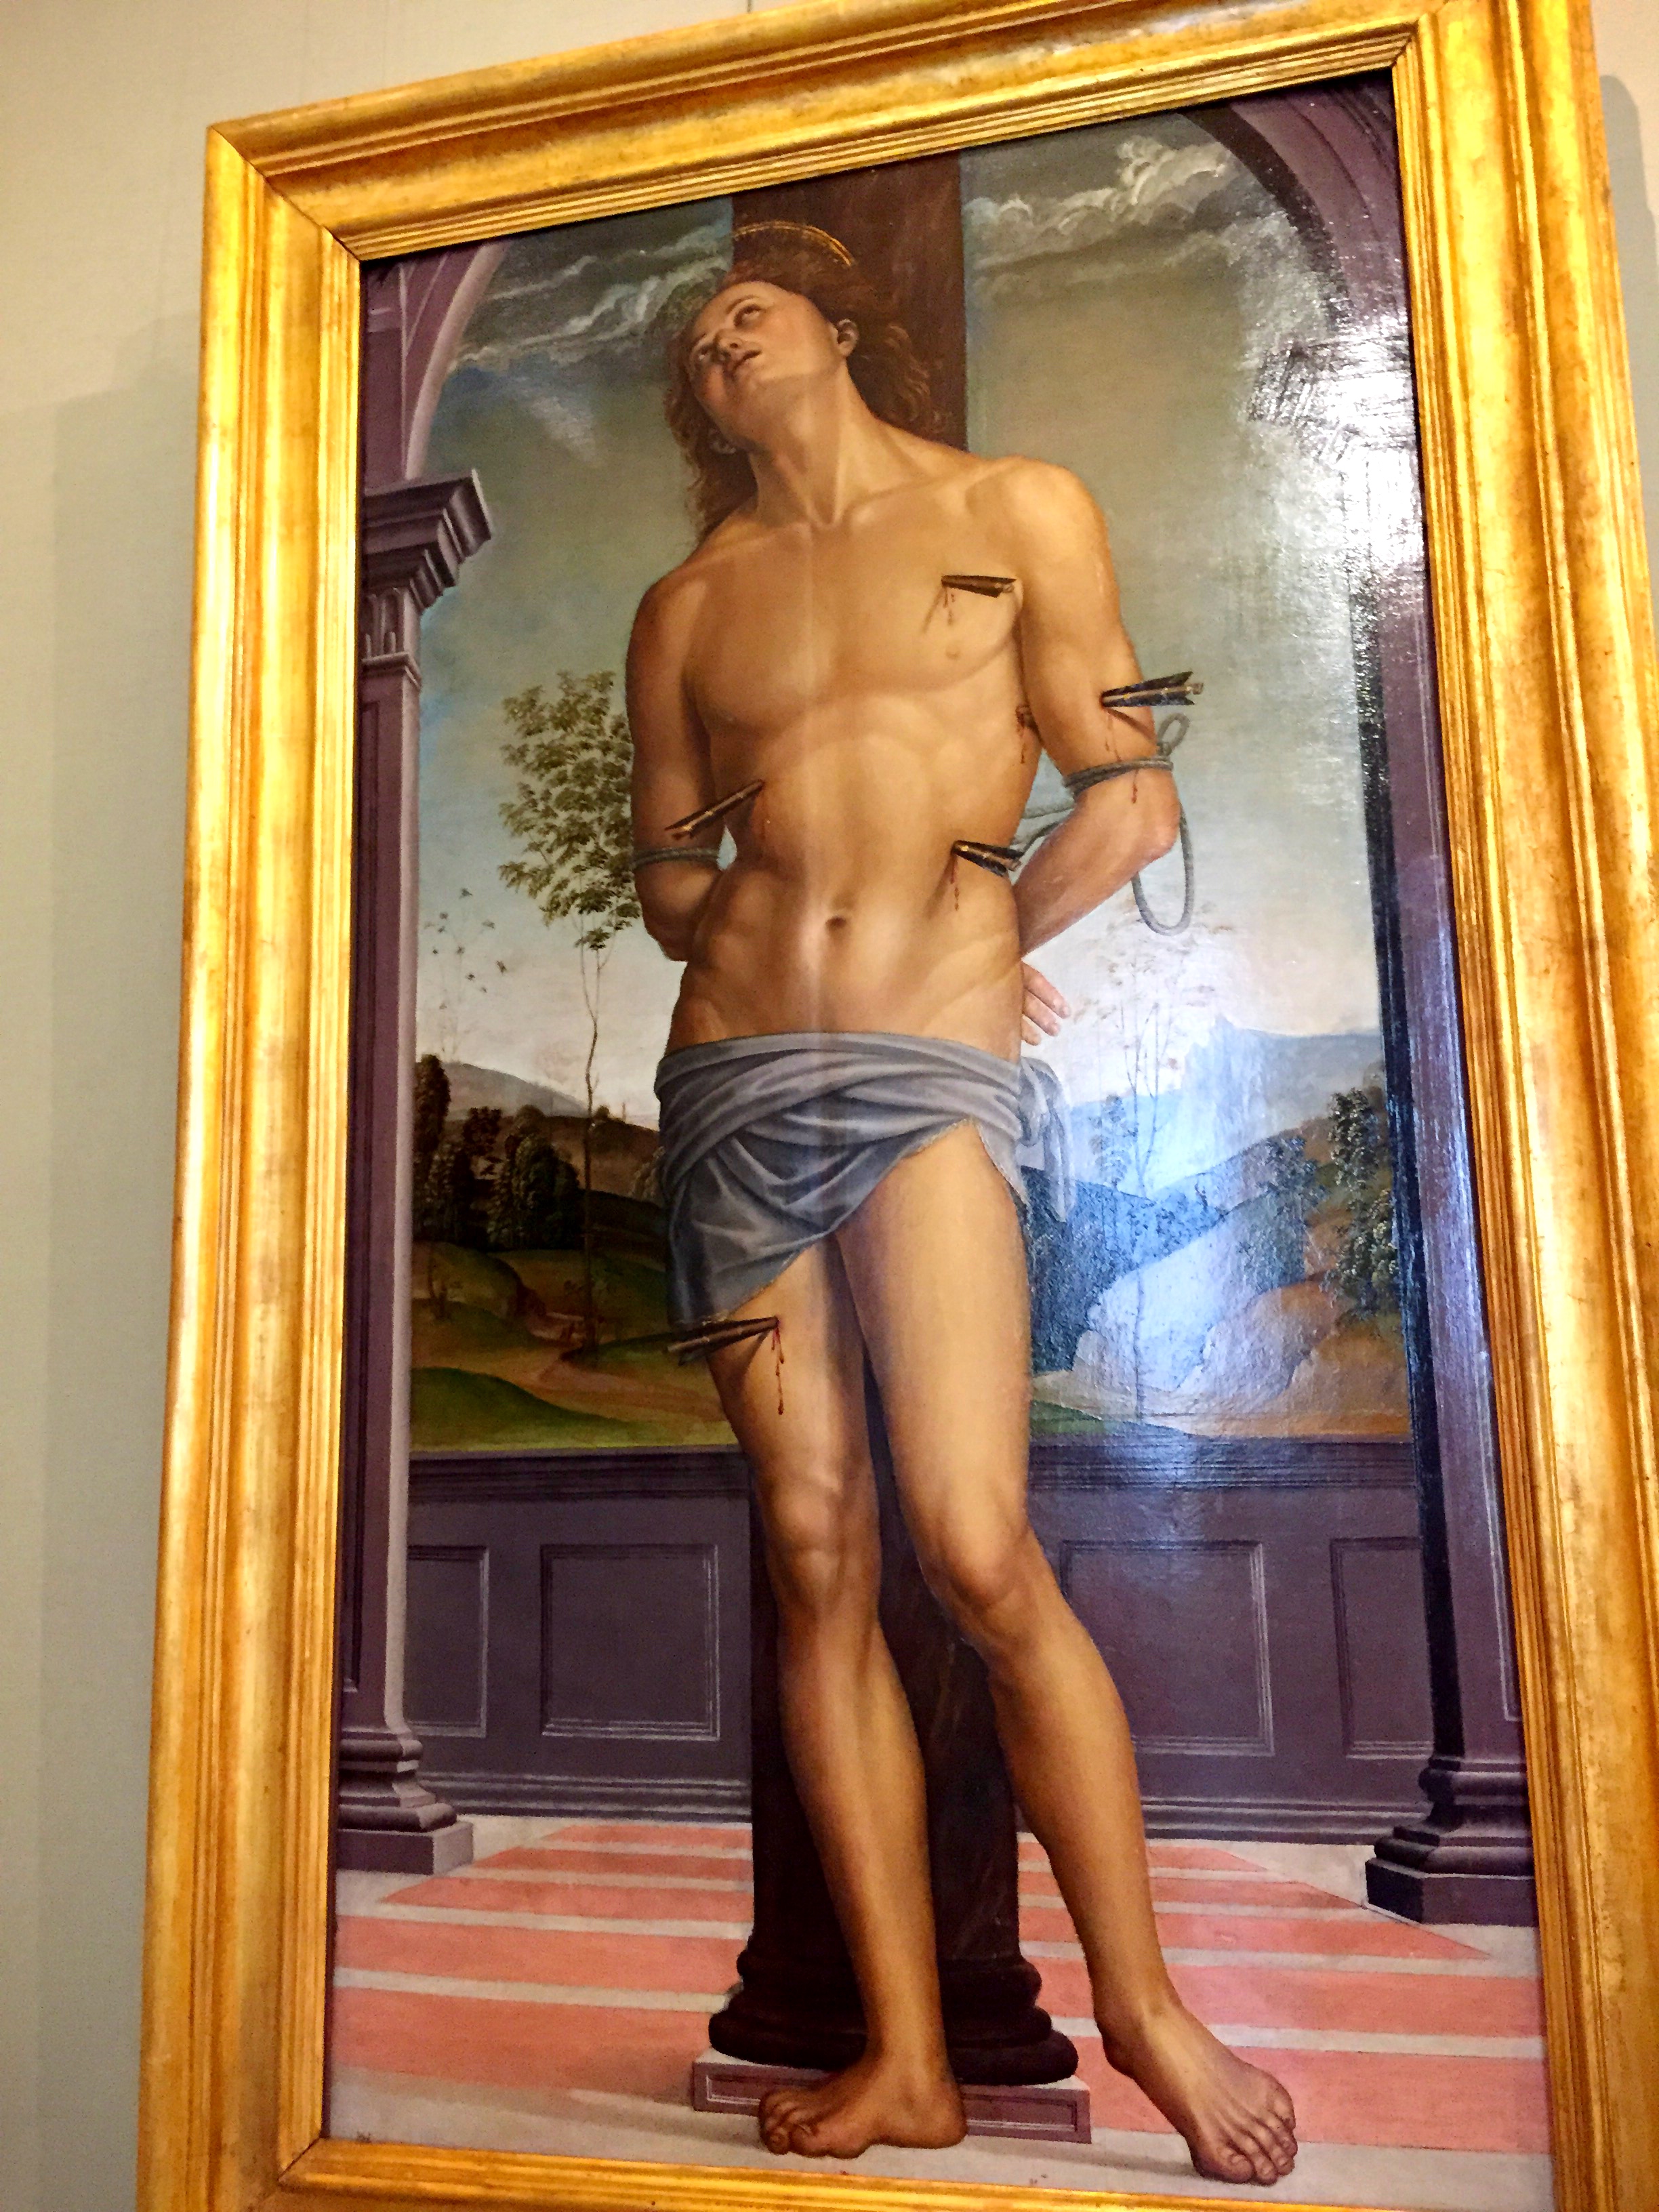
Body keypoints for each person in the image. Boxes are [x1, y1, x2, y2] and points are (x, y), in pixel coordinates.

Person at [624, 222, 1298, 2186]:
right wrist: (748, 909)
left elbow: (1129, 792)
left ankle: (1148, 2013)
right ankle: (909, 2059)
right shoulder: (687, 605)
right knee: (815, 1550)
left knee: (978, 1544)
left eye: (751, 312)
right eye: (697, 341)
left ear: (841, 327)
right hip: (733, 1077)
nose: (723, 344)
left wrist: (990, 943)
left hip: (926, 1070)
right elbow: (668, 875)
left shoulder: (1017, 513)